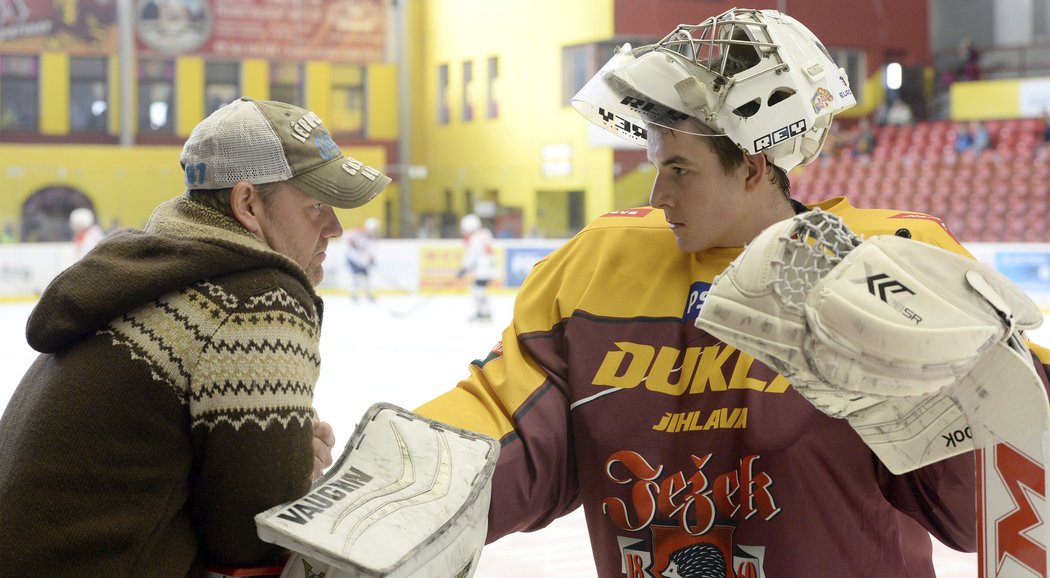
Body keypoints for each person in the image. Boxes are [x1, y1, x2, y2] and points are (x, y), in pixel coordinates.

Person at [406, 9, 1050, 577]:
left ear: (752, 166)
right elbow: (505, 427)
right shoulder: (594, 267)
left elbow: (987, 499)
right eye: (657, 167)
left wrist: (962, 389)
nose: (658, 196)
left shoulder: (892, 262)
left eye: (679, 170)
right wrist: (403, 488)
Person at [0, 96, 390, 576]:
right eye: (315, 206)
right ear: (247, 204)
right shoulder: (259, 298)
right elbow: (254, 539)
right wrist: (297, 474)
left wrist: (275, 453)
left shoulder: (156, 276)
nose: (334, 228)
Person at [457, 213, 495, 320]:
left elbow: (472, 256)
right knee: (478, 289)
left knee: (478, 290)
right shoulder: (485, 233)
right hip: (489, 267)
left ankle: (484, 312)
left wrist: (464, 268)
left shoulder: (475, 239)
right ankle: (483, 311)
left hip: (483, 269)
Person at [345, 216, 380, 301]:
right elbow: (347, 238)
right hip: (353, 259)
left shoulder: (373, 239)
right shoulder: (358, 233)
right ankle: (354, 295)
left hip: (362, 260)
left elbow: (371, 251)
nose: (374, 231)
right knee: (356, 276)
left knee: (366, 277)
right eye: (373, 229)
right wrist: (354, 245)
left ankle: (368, 294)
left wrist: (371, 259)